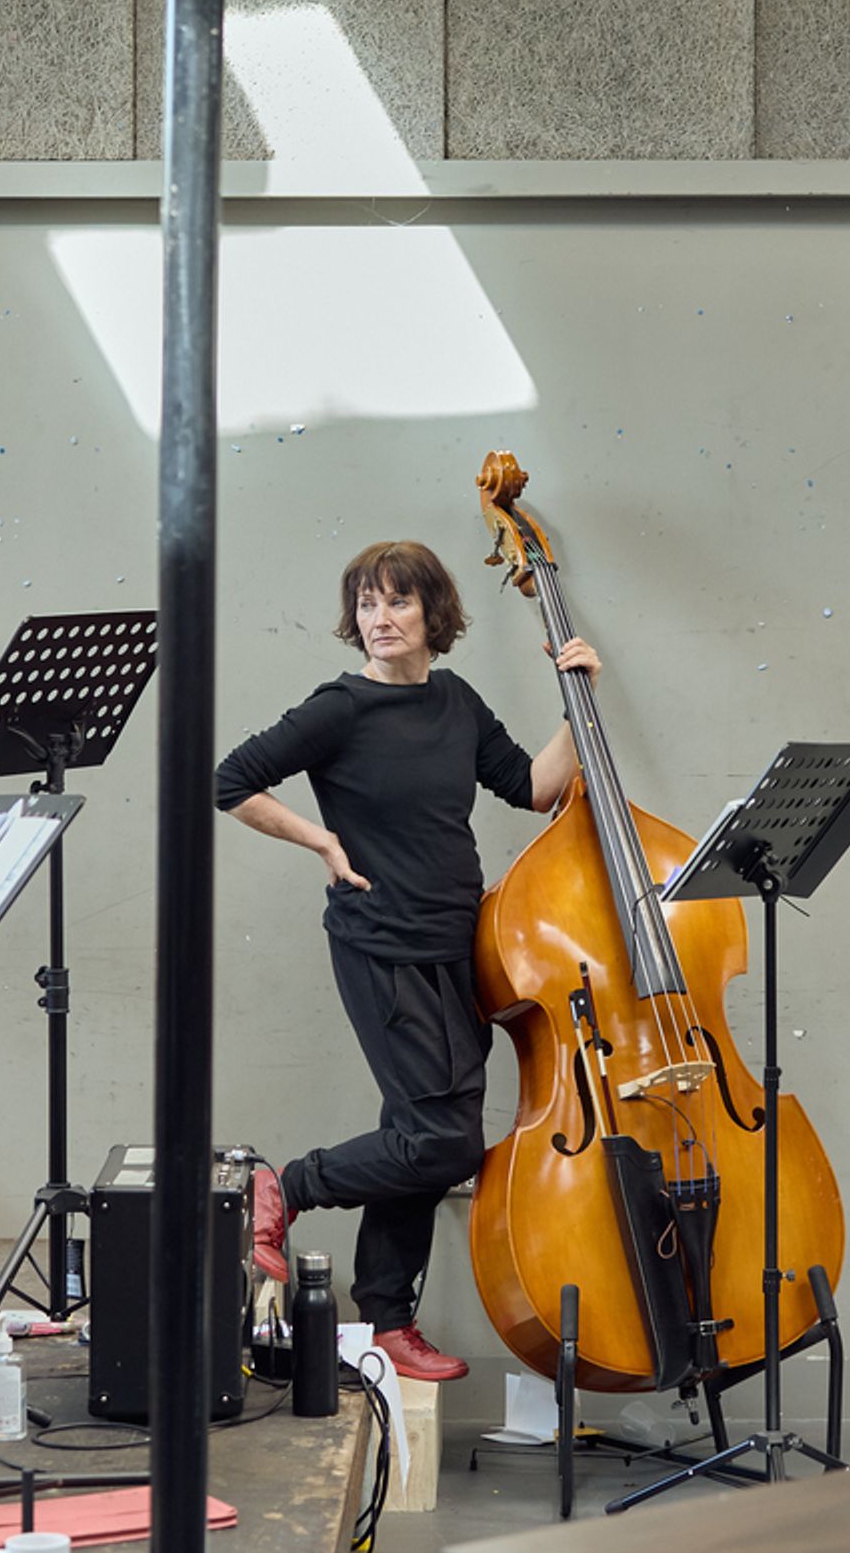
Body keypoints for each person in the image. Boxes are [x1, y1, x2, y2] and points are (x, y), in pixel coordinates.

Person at [215, 539, 599, 1382]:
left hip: (457, 944)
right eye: (366, 605)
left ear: (433, 614)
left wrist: (580, 702)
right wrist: (319, 838)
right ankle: (285, 1184)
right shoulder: (340, 708)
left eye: (397, 603)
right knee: (442, 1143)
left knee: (418, 1139)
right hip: (380, 942)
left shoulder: (455, 700)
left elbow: (532, 787)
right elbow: (231, 779)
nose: (379, 620)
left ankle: (388, 1321)